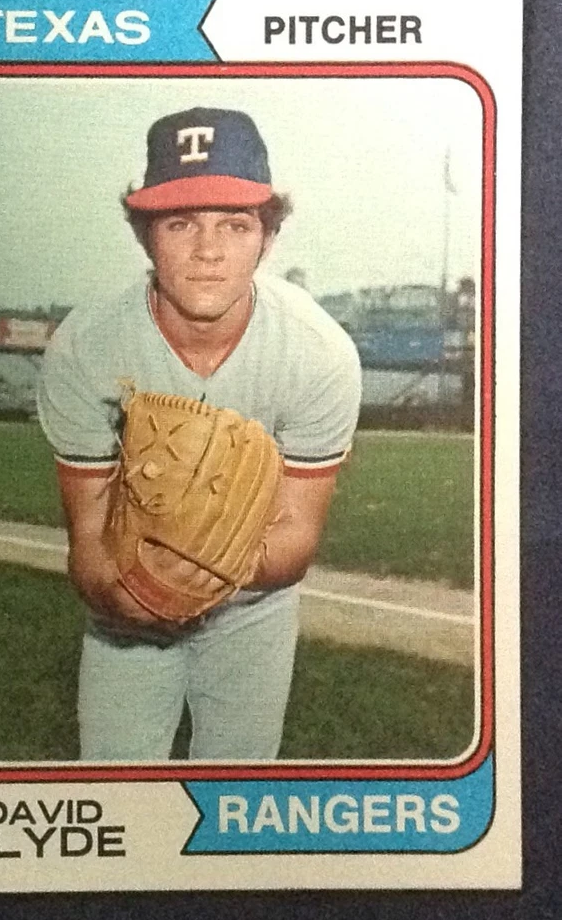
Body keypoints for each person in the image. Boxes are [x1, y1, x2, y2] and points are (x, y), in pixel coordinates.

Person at [37, 106, 361, 761]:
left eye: (235, 224)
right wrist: (124, 594)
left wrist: (204, 563)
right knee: (116, 787)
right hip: (125, 611)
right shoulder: (85, 346)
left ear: (267, 238)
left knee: (234, 798)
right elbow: (89, 541)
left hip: (253, 610)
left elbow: (296, 535)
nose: (207, 250)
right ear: (144, 235)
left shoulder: (318, 353)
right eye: (180, 222)